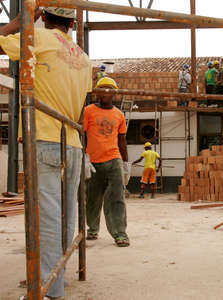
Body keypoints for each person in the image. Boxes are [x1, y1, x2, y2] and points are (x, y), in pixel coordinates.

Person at [0, 6, 92, 299]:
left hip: (44, 138)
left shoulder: (37, 38)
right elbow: (78, 104)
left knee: (48, 217)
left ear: (44, 19)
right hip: (73, 141)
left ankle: (50, 288)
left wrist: (18, 23)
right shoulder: (83, 58)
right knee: (66, 216)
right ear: (72, 24)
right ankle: (56, 278)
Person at [84, 77, 130, 247]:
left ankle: (120, 233)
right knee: (93, 199)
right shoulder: (88, 111)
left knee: (117, 197)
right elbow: (81, 134)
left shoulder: (119, 114)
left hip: (113, 160)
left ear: (114, 94)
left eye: (109, 89)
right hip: (93, 162)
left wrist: (126, 164)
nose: (105, 92)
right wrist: (83, 156)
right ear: (97, 93)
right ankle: (93, 228)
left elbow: (122, 140)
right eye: (102, 89)